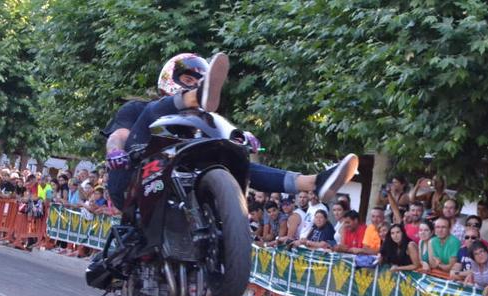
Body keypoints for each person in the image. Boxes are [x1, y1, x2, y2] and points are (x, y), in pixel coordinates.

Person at [104, 52, 359, 210]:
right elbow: (120, 136)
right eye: (189, 80)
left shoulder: (199, 122)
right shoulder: (139, 108)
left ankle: (315, 182)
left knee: (232, 160)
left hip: (179, 186)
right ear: (170, 79)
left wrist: (238, 139)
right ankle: (195, 98)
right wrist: (115, 152)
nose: (194, 82)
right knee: (153, 112)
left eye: (200, 82)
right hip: (131, 180)